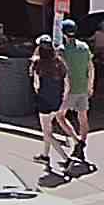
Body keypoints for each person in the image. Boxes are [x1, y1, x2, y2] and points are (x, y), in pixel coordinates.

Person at [62, 23, 100, 173]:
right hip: (83, 87)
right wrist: (90, 85)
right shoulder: (84, 47)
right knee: (83, 118)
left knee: (60, 116)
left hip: (69, 90)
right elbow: (91, 68)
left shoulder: (62, 50)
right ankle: (81, 144)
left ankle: (77, 141)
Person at [30, 31, 71, 172]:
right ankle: (45, 156)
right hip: (57, 100)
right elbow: (67, 83)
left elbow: (36, 85)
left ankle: (66, 159)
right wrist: (63, 97)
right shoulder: (59, 62)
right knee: (48, 130)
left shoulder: (38, 64)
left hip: (44, 101)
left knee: (47, 133)